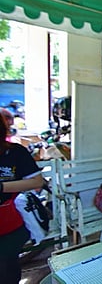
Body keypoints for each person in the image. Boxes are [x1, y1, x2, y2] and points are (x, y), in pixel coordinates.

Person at [0, 112, 44, 284]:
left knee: (6, 269)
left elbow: (37, 181)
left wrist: (3, 187)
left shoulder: (15, 152)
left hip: (9, 223)